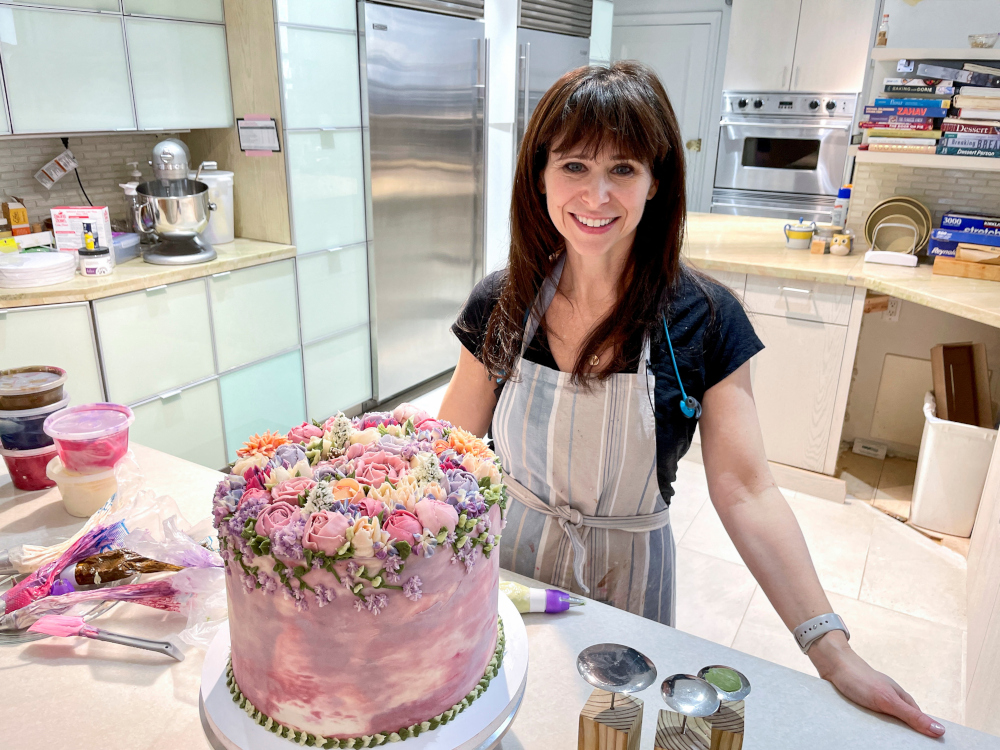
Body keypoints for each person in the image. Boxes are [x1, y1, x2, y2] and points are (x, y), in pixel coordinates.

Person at [438, 61, 945, 738]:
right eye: (574, 166)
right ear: (540, 176)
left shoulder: (704, 317)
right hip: (511, 576)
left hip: (630, 577)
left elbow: (746, 489)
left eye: (622, 168)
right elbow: (446, 458)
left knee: (611, 729)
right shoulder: (502, 303)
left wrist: (831, 649)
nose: (596, 194)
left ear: (656, 182)